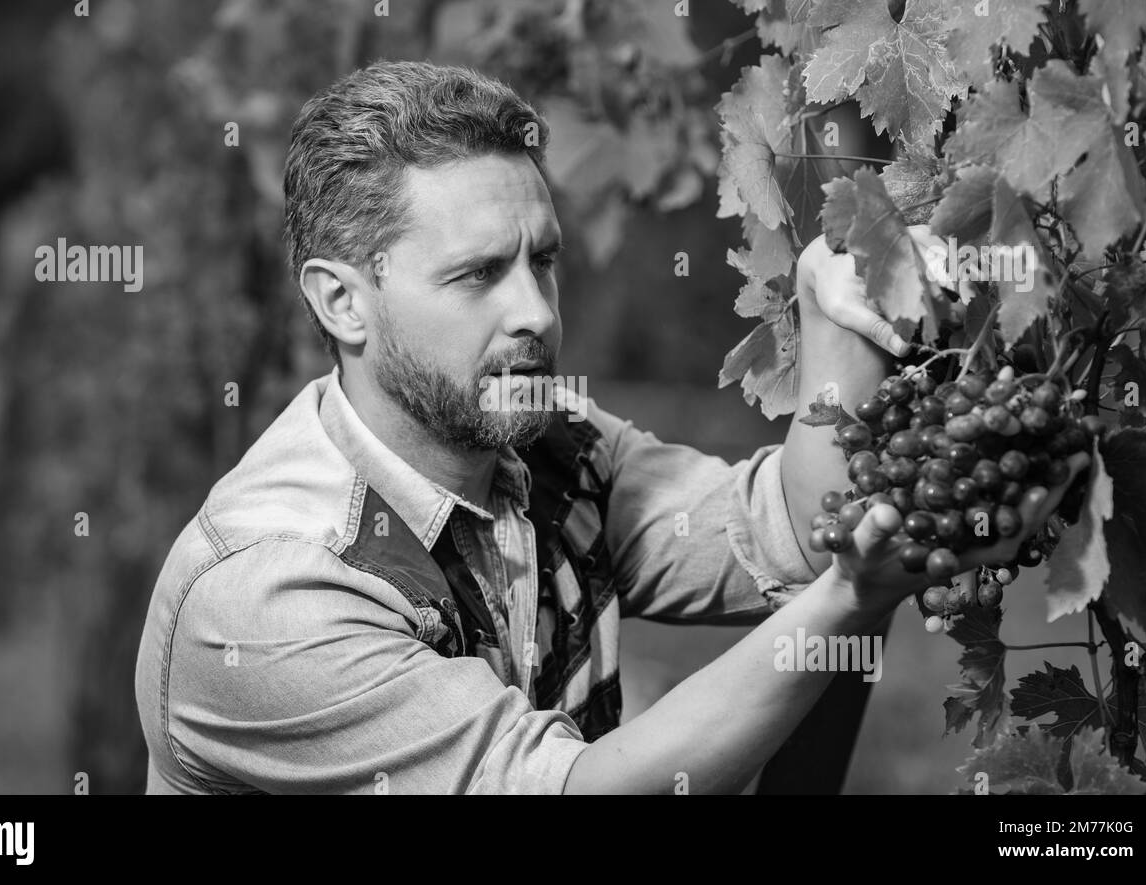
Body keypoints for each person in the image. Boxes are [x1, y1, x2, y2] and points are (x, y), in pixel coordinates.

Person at [133, 60, 1084, 794]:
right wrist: (850, 601)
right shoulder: (270, 592)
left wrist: (833, 304)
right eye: (476, 276)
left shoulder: (549, 448)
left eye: (541, 262)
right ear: (342, 302)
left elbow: (794, 534)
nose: (537, 314)